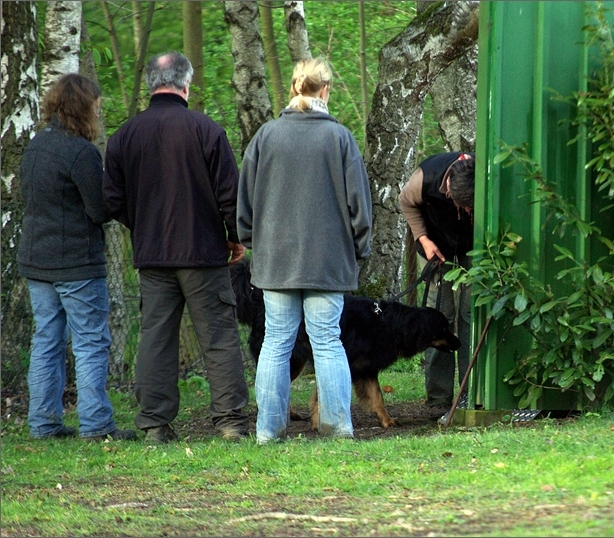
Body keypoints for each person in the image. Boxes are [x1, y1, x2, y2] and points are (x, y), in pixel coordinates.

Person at [103, 52, 249, 443]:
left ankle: (154, 423)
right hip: (203, 252)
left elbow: (111, 200)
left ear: (152, 83)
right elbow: (230, 195)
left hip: (152, 255)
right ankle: (231, 422)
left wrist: (145, 224)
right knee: (217, 336)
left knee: (155, 338)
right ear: (186, 84)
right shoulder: (206, 130)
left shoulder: (124, 136)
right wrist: (235, 237)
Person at [237, 57, 373, 443]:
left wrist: (254, 244)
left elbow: (244, 204)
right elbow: (359, 207)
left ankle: (267, 431)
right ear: (325, 90)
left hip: (276, 261)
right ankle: (338, 428)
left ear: (295, 88)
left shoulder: (266, 136)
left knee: (276, 342)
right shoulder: (340, 138)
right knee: (328, 341)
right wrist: (358, 249)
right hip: (328, 261)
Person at [18, 73, 137, 442]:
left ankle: (43, 422)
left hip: (37, 260)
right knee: (90, 343)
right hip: (77, 264)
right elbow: (99, 210)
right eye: (97, 107)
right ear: (85, 108)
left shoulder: (35, 146)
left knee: (47, 341)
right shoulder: (82, 152)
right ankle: (96, 424)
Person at [399, 152, 475, 420]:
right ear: (449, 188)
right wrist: (423, 238)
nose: (467, 211)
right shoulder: (425, 177)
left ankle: (471, 395)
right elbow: (405, 202)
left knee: (471, 316)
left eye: (471, 208)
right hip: (434, 247)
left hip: (474, 249)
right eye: (462, 205)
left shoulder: (484, 176)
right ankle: (438, 400)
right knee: (437, 319)